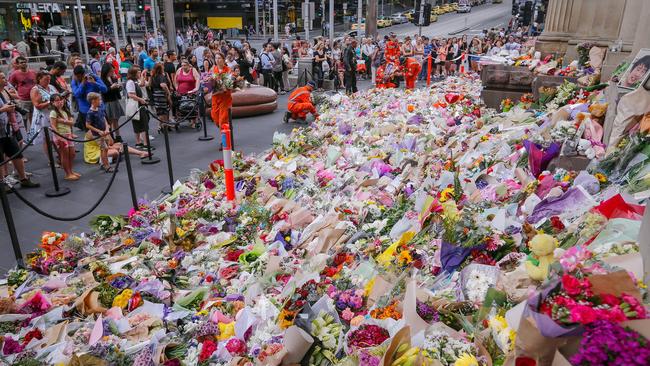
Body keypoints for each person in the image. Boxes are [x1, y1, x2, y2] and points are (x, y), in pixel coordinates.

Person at [85, 92, 150, 168]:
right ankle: (106, 165)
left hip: (104, 135)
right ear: (93, 101)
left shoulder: (99, 109)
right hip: (96, 149)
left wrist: (106, 129)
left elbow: (104, 120)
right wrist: (100, 131)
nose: (101, 101)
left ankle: (140, 153)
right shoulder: (90, 114)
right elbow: (88, 125)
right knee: (109, 150)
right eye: (99, 100)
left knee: (118, 146)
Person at [0, 72, 39, 190]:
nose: (4, 79)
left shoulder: (3, 92)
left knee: (17, 154)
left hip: (6, 130)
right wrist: (3, 109)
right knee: (0, 160)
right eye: (2, 77)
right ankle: (3, 184)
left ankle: (23, 179)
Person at [49, 93, 78, 180]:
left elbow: (72, 123)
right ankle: (68, 173)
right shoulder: (53, 112)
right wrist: (58, 137)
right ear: (52, 102)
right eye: (57, 100)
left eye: (61, 100)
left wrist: (62, 121)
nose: (60, 102)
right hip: (61, 135)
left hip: (68, 135)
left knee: (72, 154)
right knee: (65, 155)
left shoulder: (66, 111)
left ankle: (71, 171)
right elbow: (53, 126)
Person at [28, 71, 58, 155]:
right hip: (43, 116)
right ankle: (51, 160)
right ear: (39, 79)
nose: (48, 81)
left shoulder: (51, 87)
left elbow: (57, 96)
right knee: (47, 139)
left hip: (53, 114)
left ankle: (60, 156)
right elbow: (37, 105)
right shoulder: (35, 89)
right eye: (45, 79)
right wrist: (50, 102)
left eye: (49, 79)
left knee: (56, 136)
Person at [71, 65, 108, 131]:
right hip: (85, 111)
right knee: (90, 134)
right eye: (77, 76)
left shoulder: (93, 77)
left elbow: (105, 89)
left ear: (84, 74)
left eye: (80, 76)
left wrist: (95, 83)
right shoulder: (75, 81)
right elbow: (77, 94)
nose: (78, 78)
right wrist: (82, 84)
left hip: (98, 109)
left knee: (105, 131)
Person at [8, 56, 36, 131]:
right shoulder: (14, 74)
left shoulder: (33, 72)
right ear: (18, 64)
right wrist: (15, 96)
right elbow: (10, 86)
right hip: (23, 100)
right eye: (21, 62)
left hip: (34, 99)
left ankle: (33, 134)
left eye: (25, 62)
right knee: (24, 119)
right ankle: (25, 135)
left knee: (34, 118)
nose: (24, 64)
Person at [125, 66, 150, 149]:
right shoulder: (130, 82)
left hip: (137, 105)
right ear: (134, 74)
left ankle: (138, 142)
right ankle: (145, 144)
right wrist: (141, 100)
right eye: (137, 73)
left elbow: (142, 84)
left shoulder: (134, 82)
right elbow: (131, 94)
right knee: (143, 124)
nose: (138, 74)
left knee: (138, 124)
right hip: (137, 105)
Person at [100, 63, 124, 142]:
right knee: (109, 120)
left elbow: (116, 89)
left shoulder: (112, 78)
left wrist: (118, 86)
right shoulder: (102, 80)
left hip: (114, 99)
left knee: (116, 119)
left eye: (112, 71)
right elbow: (104, 91)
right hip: (108, 101)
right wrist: (111, 87)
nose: (112, 73)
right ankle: (111, 136)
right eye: (110, 71)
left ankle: (118, 135)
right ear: (106, 71)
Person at [174, 58, 200, 128]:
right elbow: (175, 80)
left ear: (188, 65)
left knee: (191, 105)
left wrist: (196, 88)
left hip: (191, 92)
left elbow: (197, 79)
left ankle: (193, 121)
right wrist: (176, 88)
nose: (183, 67)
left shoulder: (193, 70)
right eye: (182, 65)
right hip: (180, 92)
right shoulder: (179, 70)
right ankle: (180, 118)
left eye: (185, 65)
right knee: (180, 106)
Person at [210, 52, 232, 132]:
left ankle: (225, 140)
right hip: (215, 96)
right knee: (214, 116)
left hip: (225, 97)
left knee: (223, 119)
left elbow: (229, 84)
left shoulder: (228, 70)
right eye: (216, 58)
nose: (217, 60)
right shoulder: (213, 69)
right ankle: (225, 129)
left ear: (223, 59)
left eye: (219, 58)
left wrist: (223, 84)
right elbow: (209, 82)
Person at [149, 63, 172, 132]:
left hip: (155, 94)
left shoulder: (153, 76)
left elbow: (149, 85)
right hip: (161, 94)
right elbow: (163, 85)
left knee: (159, 111)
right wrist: (168, 92)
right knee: (164, 110)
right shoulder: (161, 76)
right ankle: (164, 125)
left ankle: (161, 125)